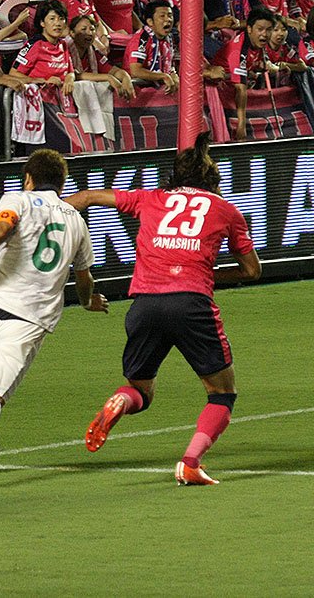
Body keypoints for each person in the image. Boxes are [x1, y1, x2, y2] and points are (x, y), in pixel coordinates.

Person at [65, 134, 261, 486]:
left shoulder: (150, 198)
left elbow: (89, 196)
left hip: (145, 304)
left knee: (141, 390)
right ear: (212, 179)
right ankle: (190, 462)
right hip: (191, 303)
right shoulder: (226, 211)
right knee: (222, 393)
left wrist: (52, 209)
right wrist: (208, 274)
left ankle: (121, 401)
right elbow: (251, 270)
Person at [0, 149, 108, 478]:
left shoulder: (17, 199)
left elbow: (2, 228)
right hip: (27, 322)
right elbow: (84, 277)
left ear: (28, 179)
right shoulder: (76, 221)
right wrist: (88, 302)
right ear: (62, 184)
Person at [211, 7, 275, 140]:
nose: (265, 34)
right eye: (260, 29)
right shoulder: (239, 49)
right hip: (219, 92)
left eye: (269, 30)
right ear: (249, 29)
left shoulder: (257, 43)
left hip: (231, 87)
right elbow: (240, 89)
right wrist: (241, 125)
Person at [124, 0, 178, 92]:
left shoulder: (169, 38)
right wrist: (163, 76)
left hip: (157, 90)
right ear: (150, 21)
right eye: (162, 16)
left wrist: (173, 75)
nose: (168, 19)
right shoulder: (142, 39)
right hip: (137, 92)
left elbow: (169, 65)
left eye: (170, 15)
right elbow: (135, 71)